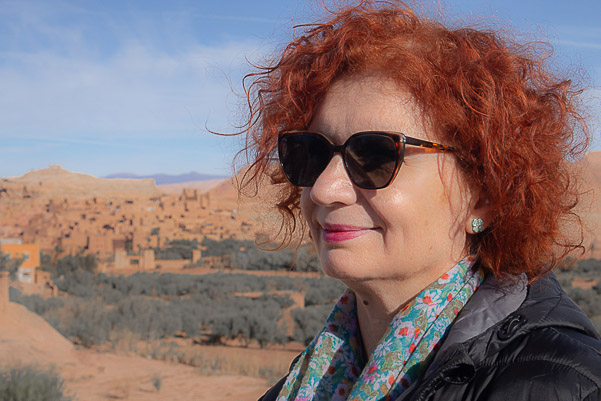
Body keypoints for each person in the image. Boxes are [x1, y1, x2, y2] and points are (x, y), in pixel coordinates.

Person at [235, 1, 601, 400]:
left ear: (484, 196)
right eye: (312, 153)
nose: (324, 188)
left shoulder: (564, 386)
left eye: (374, 156)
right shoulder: (302, 385)